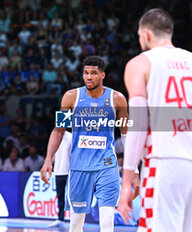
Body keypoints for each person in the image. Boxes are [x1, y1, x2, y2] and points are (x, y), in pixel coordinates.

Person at [119, 9, 192, 232]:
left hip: (165, 163)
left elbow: (139, 124)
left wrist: (127, 179)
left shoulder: (140, 64)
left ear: (145, 34)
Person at [41, 56, 139, 232]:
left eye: (93, 73)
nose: (88, 77)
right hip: (79, 166)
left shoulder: (117, 99)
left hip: (107, 164)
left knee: (107, 220)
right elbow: (59, 131)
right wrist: (48, 159)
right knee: (76, 224)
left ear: (102, 75)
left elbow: (126, 135)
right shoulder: (71, 97)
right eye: (86, 73)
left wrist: (135, 171)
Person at [48, 131, 72, 227]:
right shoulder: (54, 135)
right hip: (58, 171)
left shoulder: (71, 136)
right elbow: (52, 153)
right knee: (60, 197)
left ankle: (74, 219)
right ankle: (60, 218)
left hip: (70, 171)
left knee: (72, 196)